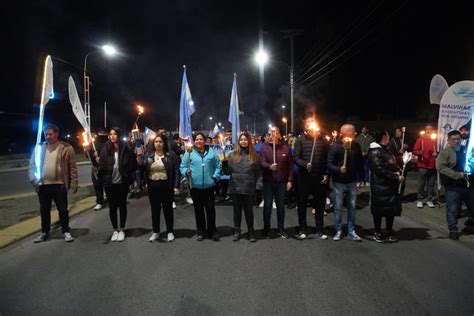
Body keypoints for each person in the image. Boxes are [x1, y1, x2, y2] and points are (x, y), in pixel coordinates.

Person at [29, 124, 78, 243]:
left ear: (56, 134)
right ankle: (44, 232)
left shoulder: (66, 148)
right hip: (43, 185)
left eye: (50, 134)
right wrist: (34, 180)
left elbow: (72, 168)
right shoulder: (39, 148)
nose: (48, 136)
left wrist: (74, 183)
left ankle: (66, 231)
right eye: (46, 134)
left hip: (59, 185)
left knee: (63, 209)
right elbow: (32, 165)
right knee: (44, 210)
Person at [180, 132, 222, 241]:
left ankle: (212, 231)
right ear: (194, 141)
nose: (199, 141)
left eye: (201, 139)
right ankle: (201, 231)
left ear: (205, 141)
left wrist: (215, 177)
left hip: (209, 186)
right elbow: (183, 166)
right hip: (195, 186)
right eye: (197, 139)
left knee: (210, 209)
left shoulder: (211, 153)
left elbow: (218, 166)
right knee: (198, 210)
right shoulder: (189, 153)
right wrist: (186, 172)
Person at [98, 127, 137, 242]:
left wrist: (128, 171)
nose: (112, 136)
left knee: (122, 205)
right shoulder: (105, 148)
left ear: (118, 135)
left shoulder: (126, 147)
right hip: (110, 183)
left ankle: (122, 229)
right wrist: (98, 171)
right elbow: (101, 165)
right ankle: (115, 229)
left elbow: (133, 164)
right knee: (112, 207)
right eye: (111, 134)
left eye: (114, 134)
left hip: (122, 182)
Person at [327, 124, 364, 241]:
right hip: (339, 182)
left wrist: (362, 178)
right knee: (338, 207)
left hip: (352, 181)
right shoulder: (335, 146)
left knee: (352, 208)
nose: (355, 133)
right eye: (353, 132)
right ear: (345, 133)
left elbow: (360, 163)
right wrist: (339, 169)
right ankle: (338, 230)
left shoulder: (356, 145)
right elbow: (329, 164)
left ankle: (351, 230)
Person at [294, 118, 329, 240]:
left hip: (319, 176)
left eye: (313, 124)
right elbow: (296, 157)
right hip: (304, 177)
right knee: (302, 203)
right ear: (306, 127)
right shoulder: (300, 140)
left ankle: (320, 228)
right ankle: (302, 228)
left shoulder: (321, 139)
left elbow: (326, 158)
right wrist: (304, 164)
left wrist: (326, 173)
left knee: (320, 203)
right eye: (309, 124)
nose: (311, 126)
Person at [436, 130, 474, 240]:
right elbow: (441, 167)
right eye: (453, 139)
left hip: (468, 186)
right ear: (449, 140)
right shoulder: (445, 153)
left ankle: (470, 224)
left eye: (458, 139)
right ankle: (453, 229)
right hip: (453, 186)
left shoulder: (466, 151)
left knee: (472, 207)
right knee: (452, 209)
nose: (456, 141)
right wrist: (457, 175)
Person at [368, 129, 405, 243]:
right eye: (388, 135)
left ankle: (389, 231)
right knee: (379, 209)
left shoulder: (385, 149)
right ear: (383, 137)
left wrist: (399, 168)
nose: (389, 137)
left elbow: (391, 163)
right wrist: (395, 177)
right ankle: (378, 231)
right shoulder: (375, 151)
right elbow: (379, 169)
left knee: (390, 209)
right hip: (380, 185)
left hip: (390, 186)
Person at [224, 132, 260, 242]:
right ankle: (237, 231)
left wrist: (258, 186)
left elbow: (258, 173)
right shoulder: (232, 155)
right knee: (237, 211)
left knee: (249, 212)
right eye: (241, 140)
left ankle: (251, 232)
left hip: (249, 188)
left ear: (249, 141)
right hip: (236, 188)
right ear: (238, 142)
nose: (243, 141)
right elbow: (227, 172)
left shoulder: (254, 155)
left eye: (245, 139)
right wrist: (224, 164)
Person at [144, 134, 180, 242]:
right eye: (156, 142)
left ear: (164, 144)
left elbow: (176, 171)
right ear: (153, 144)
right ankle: (156, 232)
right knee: (154, 210)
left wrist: (176, 186)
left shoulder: (170, 156)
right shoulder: (149, 156)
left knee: (168, 210)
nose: (158, 144)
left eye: (160, 142)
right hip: (153, 186)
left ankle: (170, 231)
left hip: (166, 186)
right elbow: (144, 171)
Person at [259, 127, 293, 239]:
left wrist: (290, 180)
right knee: (267, 206)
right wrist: (269, 166)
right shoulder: (264, 148)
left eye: (274, 133)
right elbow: (262, 162)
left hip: (281, 182)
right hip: (268, 182)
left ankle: (280, 228)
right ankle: (266, 228)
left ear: (279, 134)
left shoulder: (286, 148)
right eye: (269, 134)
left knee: (280, 206)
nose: (271, 135)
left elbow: (290, 166)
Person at [413, 124, 437, 208]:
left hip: (433, 166)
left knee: (431, 184)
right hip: (423, 165)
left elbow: (439, 151)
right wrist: (420, 152)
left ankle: (429, 199)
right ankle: (420, 199)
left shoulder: (435, 140)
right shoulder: (421, 139)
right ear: (425, 130)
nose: (429, 131)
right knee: (421, 184)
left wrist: (436, 153)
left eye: (430, 129)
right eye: (427, 129)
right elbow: (415, 150)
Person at [85, 127, 108, 211]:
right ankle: (99, 202)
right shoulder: (93, 143)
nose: (102, 134)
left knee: (107, 185)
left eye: (104, 132)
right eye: (100, 132)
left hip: (106, 168)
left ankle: (110, 199)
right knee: (97, 185)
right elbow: (88, 156)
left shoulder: (108, 143)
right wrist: (88, 151)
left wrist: (101, 157)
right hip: (95, 168)